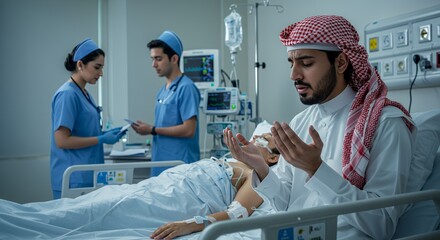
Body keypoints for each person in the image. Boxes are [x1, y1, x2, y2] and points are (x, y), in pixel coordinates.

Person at [224, 15, 415, 239]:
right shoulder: (301, 122)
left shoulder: (386, 123)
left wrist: (317, 169)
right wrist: (261, 169)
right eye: (292, 63)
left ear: (341, 63)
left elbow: (381, 224)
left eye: (306, 63)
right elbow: (286, 203)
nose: (294, 75)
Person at [0, 129, 279, 240]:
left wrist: (191, 223)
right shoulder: (236, 158)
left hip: (184, 199)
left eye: (265, 139)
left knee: (98, 214)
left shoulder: (262, 175)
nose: (257, 138)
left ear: (275, 156)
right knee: (90, 204)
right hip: (169, 182)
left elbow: (234, 214)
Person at [51, 38, 126, 199]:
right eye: (97, 67)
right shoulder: (67, 95)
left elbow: (84, 131)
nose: (101, 73)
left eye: (102, 68)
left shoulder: (84, 93)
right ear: (80, 65)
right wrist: (101, 139)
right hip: (73, 178)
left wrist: (106, 135)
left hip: (87, 175)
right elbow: (62, 141)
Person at [132, 31, 201, 176]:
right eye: (152, 59)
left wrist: (152, 129)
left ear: (174, 58)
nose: (153, 64)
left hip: (180, 167)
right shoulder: (163, 91)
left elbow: (189, 130)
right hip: (161, 165)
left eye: (158, 59)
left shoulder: (186, 88)